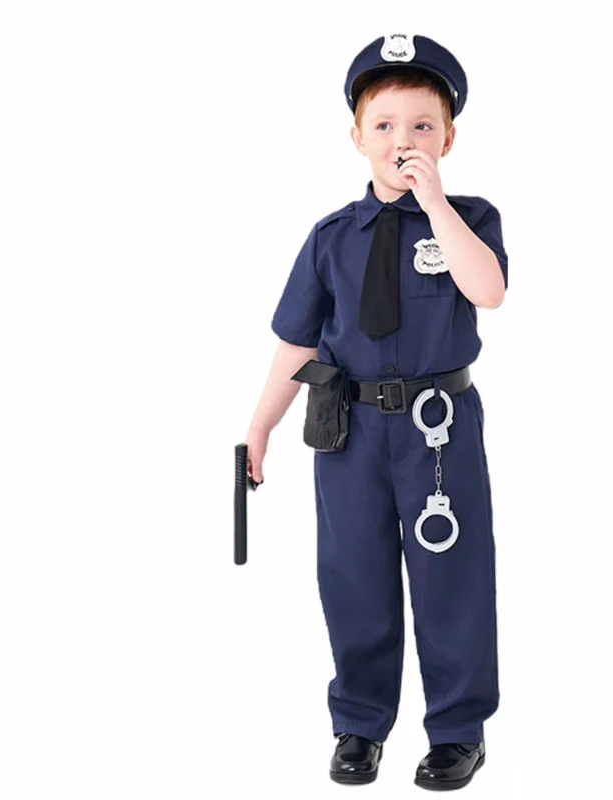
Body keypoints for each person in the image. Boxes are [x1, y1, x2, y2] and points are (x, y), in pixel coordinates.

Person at [244, 33, 507, 791]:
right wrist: (260, 426)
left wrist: (434, 204)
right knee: (352, 574)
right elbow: (297, 341)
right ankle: (359, 723)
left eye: (423, 125)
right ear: (356, 137)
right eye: (385, 125)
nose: (403, 141)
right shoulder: (331, 238)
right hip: (349, 430)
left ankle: (457, 730)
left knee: (452, 574)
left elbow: (488, 291)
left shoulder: (469, 220)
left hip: (437, 427)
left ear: (449, 138)